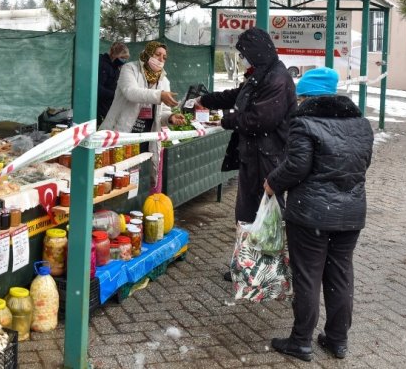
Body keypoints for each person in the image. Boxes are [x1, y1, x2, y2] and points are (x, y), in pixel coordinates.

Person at [264, 67, 373, 362]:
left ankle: (301, 341)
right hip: (350, 213)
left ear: (307, 96)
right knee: (340, 274)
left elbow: (297, 165)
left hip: (311, 214)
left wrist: (272, 182)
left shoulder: (305, 123)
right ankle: (337, 340)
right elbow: (364, 163)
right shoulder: (361, 124)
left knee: (308, 276)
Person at [194, 27, 296, 280]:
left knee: (266, 214)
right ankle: (249, 265)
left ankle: (266, 269)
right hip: (255, 155)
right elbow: (238, 96)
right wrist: (207, 100)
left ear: (256, 51)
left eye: (244, 54)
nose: (243, 59)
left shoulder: (277, 78)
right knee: (249, 212)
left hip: (268, 157)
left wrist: (224, 121)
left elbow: (260, 119)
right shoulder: (262, 74)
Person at [100, 41, 186, 187]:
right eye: (157, 55)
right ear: (148, 53)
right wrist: (160, 95)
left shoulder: (164, 80)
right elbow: (131, 92)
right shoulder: (130, 69)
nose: (160, 59)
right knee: (115, 176)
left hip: (146, 138)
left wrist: (170, 117)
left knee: (136, 180)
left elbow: (162, 113)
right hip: (124, 132)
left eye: (164, 57)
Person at [97, 42, 130, 125]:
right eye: (122, 57)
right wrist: (115, 94)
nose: (124, 61)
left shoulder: (115, 67)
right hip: (101, 107)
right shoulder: (103, 65)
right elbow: (98, 89)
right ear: (114, 54)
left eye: (126, 58)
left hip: (109, 106)